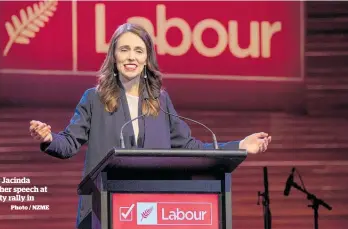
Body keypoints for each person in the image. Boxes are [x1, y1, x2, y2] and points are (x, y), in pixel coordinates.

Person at [29, 23, 272, 229]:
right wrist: (49, 138)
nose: (131, 57)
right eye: (124, 50)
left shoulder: (160, 101)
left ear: (147, 59)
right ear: (114, 56)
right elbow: (69, 143)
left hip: (152, 209)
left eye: (138, 50)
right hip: (103, 210)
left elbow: (189, 146)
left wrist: (239, 146)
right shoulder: (94, 98)